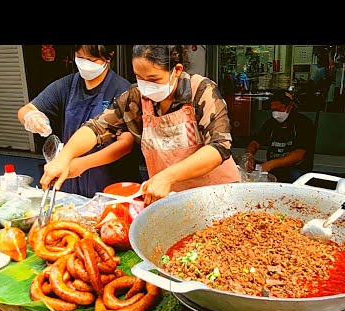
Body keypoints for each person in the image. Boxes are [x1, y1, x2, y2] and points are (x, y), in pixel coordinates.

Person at [40, 45, 242, 206]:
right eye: (139, 77)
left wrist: (168, 176)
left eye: (153, 79)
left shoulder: (200, 90)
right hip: (170, 198)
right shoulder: (136, 97)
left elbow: (219, 146)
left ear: (177, 70)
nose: (146, 86)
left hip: (217, 196)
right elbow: (97, 127)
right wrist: (65, 158)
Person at [17, 45, 142, 198]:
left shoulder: (122, 89)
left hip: (109, 181)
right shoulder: (67, 85)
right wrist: (32, 117)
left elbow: (125, 144)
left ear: (108, 57)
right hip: (71, 176)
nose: (85, 64)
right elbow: (26, 109)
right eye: (80, 58)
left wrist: (83, 164)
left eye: (91, 59)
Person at [244, 89, 315, 183]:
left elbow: (299, 154)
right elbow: (255, 142)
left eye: (279, 109)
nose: (275, 113)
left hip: (296, 168)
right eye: (273, 110)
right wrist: (249, 155)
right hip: (273, 167)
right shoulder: (270, 124)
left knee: (295, 176)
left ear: (289, 107)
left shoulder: (304, 124)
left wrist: (271, 164)